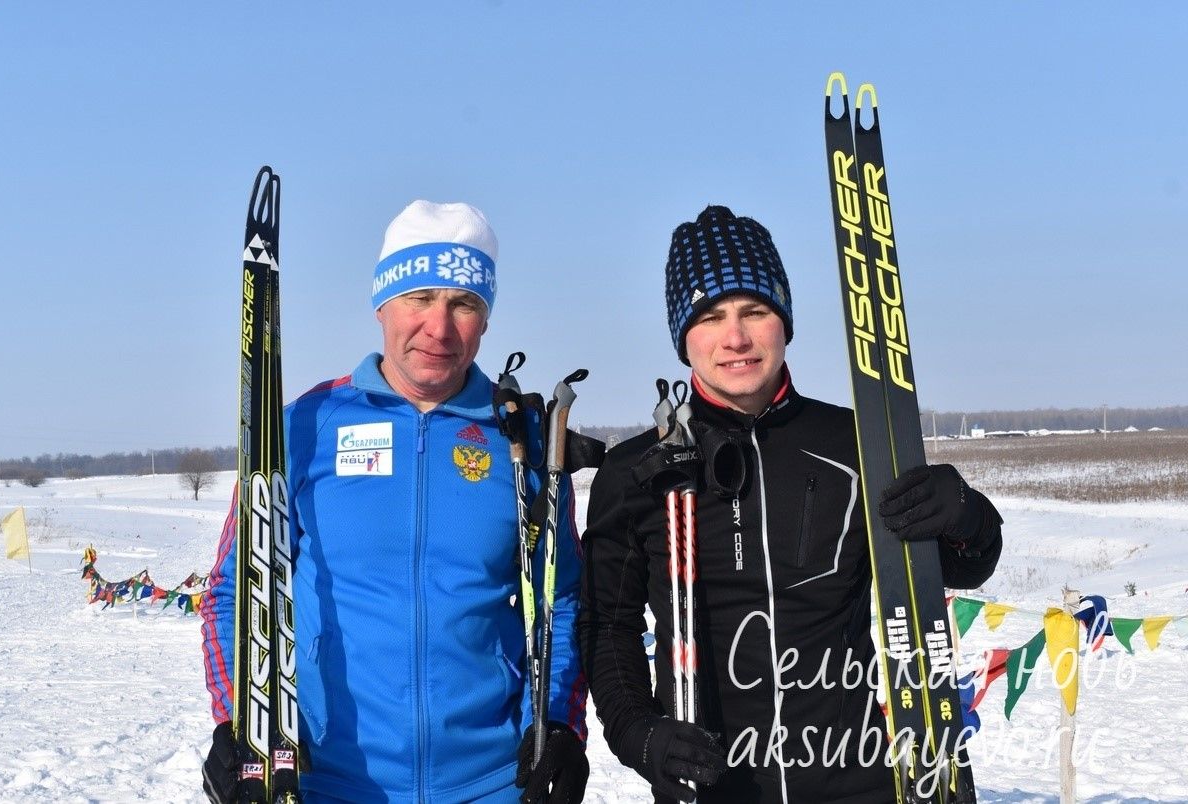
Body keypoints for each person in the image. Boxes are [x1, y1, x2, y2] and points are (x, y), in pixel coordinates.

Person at [576, 206, 1003, 803]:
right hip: (712, 784)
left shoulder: (859, 444)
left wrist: (965, 511)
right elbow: (606, 626)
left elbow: (960, 565)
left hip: (860, 780)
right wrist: (637, 734)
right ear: (683, 337)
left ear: (784, 321)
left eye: (755, 311)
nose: (736, 338)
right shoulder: (637, 472)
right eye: (710, 316)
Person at [201, 201, 589, 803]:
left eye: (464, 304)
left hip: (490, 783)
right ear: (382, 303)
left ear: (485, 321)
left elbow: (560, 601)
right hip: (328, 782)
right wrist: (236, 724)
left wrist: (559, 724)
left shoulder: (523, 440)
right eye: (420, 298)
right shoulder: (305, 426)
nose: (439, 328)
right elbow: (231, 590)